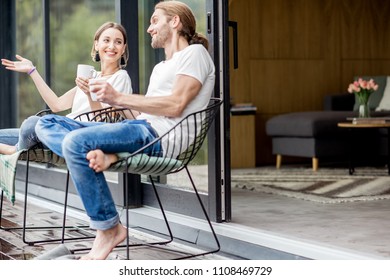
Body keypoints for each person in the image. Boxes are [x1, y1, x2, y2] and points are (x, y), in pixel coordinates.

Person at [35, 0, 215, 260]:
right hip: (139, 128)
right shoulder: (161, 66)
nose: (149, 29)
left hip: (158, 137)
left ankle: (109, 228)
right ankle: (105, 154)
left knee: (74, 143)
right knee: (45, 123)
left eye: (154, 21)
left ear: (174, 22)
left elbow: (175, 105)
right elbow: (142, 114)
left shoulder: (195, 54)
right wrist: (108, 103)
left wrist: (117, 98)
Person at [0, 21, 132, 155]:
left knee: (32, 124)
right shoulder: (93, 76)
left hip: (80, 135)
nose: (112, 46)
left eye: (118, 42)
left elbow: (103, 123)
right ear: (96, 44)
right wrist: (32, 71)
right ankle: (22, 146)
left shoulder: (121, 77)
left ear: (123, 48)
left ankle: (15, 150)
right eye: (106, 40)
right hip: (61, 131)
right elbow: (56, 105)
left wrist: (89, 94)